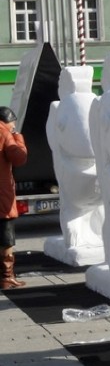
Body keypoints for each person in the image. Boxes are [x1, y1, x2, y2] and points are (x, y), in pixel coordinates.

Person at [0, 106, 28, 289]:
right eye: (13, 123)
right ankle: (6, 276)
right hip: (2, 194)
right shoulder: (4, 132)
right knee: (6, 237)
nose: (14, 126)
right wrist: (18, 137)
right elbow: (19, 158)